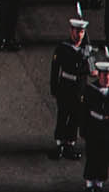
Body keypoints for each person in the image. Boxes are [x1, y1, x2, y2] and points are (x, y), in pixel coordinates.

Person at [51, 13, 93, 160]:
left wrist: (89, 59)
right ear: (71, 31)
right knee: (63, 115)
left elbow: (92, 70)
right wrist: (54, 87)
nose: (78, 34)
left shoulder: (86, 50)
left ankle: (70, 143)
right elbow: (55, 69)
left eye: (81, 32)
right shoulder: (63, 47)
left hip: (79, 89)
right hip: (65, 86)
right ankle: (59, 143)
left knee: (75, 117)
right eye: (76, 31)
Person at [82, 55, 109, 190]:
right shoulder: (91, 89)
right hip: (94, 125)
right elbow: (84, 111)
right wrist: (83, 129)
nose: (107, 78)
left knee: (104, 155)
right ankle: (90, 181)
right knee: (92, 154)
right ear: (99, 76)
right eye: (104, 75)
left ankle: (99, 181)